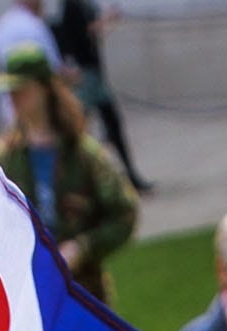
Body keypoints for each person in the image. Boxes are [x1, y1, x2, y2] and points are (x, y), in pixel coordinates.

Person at [0, 47, 139, 289]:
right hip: (26, 292)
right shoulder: (2, 157)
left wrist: (82, 248)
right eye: (10, 90)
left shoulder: (83, 154)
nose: (13, 97)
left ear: (44, 88)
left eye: (22, 89)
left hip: (82, 291)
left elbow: (125, 214)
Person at [53, 0, 149, 191]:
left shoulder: (80, 5)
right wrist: (107, 20)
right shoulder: (71, 6)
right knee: (79, 129)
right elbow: (84, 33)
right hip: (85, 76)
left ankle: (128, 175)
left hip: (93, 74)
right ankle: (77, 182)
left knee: (111, 123)